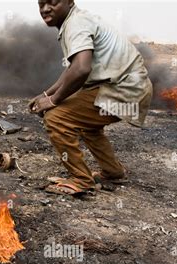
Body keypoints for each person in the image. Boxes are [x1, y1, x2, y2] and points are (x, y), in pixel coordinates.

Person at [29, 0, 153, 196]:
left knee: (56, 117)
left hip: (123, 90)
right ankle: (113, 172)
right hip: (129, 88)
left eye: (52, 2)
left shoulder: (76, 23)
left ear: (69, 2)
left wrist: (53, 101)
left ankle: (81, 180)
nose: (45, 9)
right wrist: (47, 94)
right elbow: (73, 69)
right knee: (85, 122)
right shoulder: (77, 20)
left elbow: (81, 69)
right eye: (41, 4)